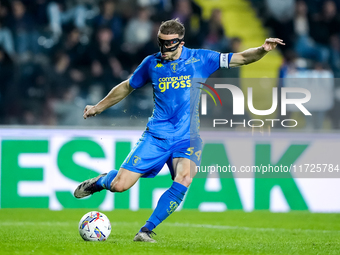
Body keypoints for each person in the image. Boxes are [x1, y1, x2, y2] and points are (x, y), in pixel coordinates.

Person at [74, 18, 284, 242]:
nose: (163, 48)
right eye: (160, 43)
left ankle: (145, 230)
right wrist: (98, 107)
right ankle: (101, 181)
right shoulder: (151, 64)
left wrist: (263, 50)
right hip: (156, 137)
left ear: (180, 43)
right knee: (120, 186)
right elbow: (127, 86)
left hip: (187, 138)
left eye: (169, 44)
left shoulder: (201, 59)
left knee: (185, 178)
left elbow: (241, 58)